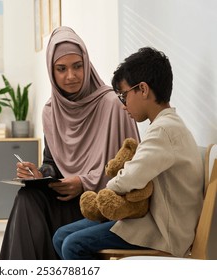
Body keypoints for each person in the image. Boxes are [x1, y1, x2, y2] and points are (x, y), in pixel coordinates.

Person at [0, 26, 139, 260]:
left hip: (101, 204)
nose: (70, 76)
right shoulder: (51, 111)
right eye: (61, 69)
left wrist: (84, 183)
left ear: (87, 63)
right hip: (66, 201)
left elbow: (132, 167)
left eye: (77, 66)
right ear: (51, 72)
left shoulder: (112, 104)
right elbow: (52, 163)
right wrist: (39, 174)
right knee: (27, 197)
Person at [52, 46, 204, 260]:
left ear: (142, 89)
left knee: (72, 245)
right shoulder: (166, 125)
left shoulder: (164, 130)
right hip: (151, 219)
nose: (123, 105)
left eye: (124, 96)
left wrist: (103, 196)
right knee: (61, 236)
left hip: (164, 232)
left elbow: (129, 178)